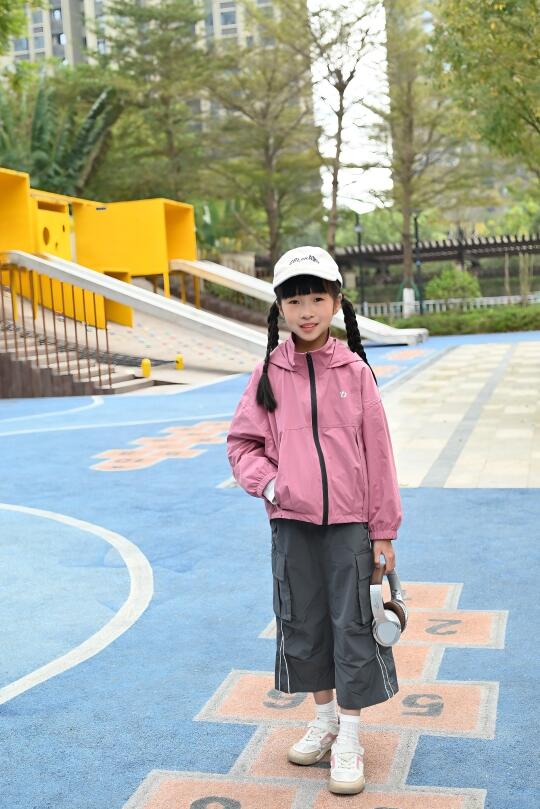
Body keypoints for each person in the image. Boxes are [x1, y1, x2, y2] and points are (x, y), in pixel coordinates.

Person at [226, 245, 402, 795]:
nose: (306, 311)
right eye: (295, 300)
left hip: (350, 526)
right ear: (279, 307)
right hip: (291, 526)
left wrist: (384, 531)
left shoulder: (355, 371)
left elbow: (380, 456)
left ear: (336, 302)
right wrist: (273, 485)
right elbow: (242, 445)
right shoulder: (268, 373)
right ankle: (324, 720)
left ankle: (350, 736)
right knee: (301, 623)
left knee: (353, 626)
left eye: (317, 299)